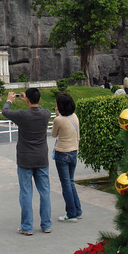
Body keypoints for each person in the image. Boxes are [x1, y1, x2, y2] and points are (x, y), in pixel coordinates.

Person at [2, 87, 52, 235]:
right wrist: (31, 101)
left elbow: (5, 112)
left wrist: (9, 100)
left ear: (27, 100)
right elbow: (39, 108)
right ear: (40, 99)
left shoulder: (23, 115)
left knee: (26, 192)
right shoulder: (46, 114)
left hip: (25, 159)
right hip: (41, 158)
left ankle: (27, 226)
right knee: (45, 192)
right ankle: (46, 224)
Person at [51, 93, 82, 222]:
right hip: (73, 151)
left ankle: (71, 214)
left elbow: (53, 134)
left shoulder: (58, 120)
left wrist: (58, 116)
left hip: (62, 153)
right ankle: (77, 210)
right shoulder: (75, 117)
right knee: (70, 182)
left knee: (66, 184)